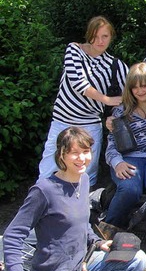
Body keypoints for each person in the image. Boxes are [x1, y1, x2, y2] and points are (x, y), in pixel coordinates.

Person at [3, 127, 146, 271]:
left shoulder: (83, 180)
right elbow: (12, 236)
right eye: (74, 153)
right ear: (61, 155)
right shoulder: (44, 190)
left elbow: (81, 222)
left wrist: (97, 241)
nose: (81, 158)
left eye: (85, 152)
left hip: (82, 266)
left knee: (137, 260)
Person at [39, 16, 128, 186]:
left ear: (111, 37)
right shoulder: (74, 50)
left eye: (105, 36)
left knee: (85, 174)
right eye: (96, 35)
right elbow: (78, 82)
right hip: (62, 122)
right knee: (48, 170)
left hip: (89, 126)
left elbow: (135, 86)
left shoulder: (115, 65)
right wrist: (107, 99)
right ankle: (42, 206)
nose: (100, 41)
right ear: (89, 34)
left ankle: (79, 208)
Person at [104, 62, 146, 228]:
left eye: (144, 86)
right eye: (135, 87)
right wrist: (117, 163)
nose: (140, 91)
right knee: (130, 189)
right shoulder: (122, 110)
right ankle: (108, 229)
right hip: (130, 157)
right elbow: (112, 143)